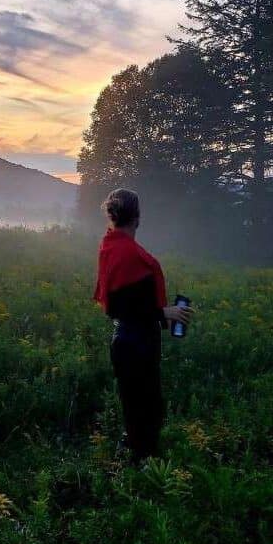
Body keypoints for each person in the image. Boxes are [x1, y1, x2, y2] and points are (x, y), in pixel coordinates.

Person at [93, 188, 193, 462]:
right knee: (146, 410)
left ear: (111, 215)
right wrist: (165, 313)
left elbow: (120, 305)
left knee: (137, 407)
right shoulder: (127, 253)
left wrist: (162, 314)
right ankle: (140, 471)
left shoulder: (111, 246)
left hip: (129, 339)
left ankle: (133, 464)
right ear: (137, 217)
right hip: (135, 341)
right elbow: (119, 306)